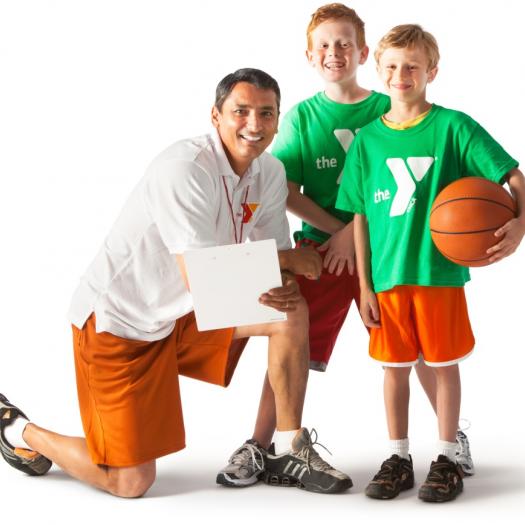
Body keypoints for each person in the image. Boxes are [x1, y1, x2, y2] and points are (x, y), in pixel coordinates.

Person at [0, 68, 352, 497]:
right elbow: (206, 278)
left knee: (290, 311)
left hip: (184, 314)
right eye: (240, 111)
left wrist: (287, 277)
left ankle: (286, 447)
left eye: (266, 113)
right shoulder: (184, 169)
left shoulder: (271, 173)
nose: (254, 124)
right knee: (131, 482)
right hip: (121, 325)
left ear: (278, 120)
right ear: (215, 116)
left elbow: (273, 268)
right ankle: (19, 429)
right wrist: (290, 260)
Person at [217, 3, 473, 489]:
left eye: (344, 43)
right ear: (310, 55)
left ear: (363, 52)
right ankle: (259, 444)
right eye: (324, 45)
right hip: (323, 254)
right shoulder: (302, 116)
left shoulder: (388, 105)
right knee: (289, 338)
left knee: (421, 348)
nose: (334, 52)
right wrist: (339, 233)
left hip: (391, 251)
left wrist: (356, 236)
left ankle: (450, 440)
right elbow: (286, 190)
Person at [336, 24, 525, 502]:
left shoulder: (454, 127)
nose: (401, 75)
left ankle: (445, 457)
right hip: (388, 278)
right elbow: (360, 218)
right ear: (378, 70)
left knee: (443, 365)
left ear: (431, 72)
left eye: (412, 66)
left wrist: (521, 223)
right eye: (392, 66)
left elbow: (513, 177)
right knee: (393, 369)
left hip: (439, 273)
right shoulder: (366, 141)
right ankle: (398, 458)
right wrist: (365, 285)